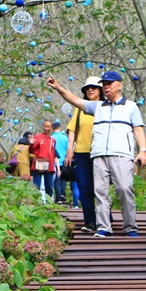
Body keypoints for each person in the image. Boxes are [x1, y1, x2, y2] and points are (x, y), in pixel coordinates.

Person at [47, 70, 146, 238]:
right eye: (104, 84)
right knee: (100, 192)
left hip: (121, 154)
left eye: (110, 84)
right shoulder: (98, 107)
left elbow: (138, 129)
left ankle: (130, 226)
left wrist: (143, 151)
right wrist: (58, 87)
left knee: (124, 188)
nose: (106, 87)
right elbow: (75, 100)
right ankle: (103, 227)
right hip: (99, 155)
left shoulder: (130, 107)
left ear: (119, 85)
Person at [64, 77, 102, 232]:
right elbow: (72, 130)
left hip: (100, 154)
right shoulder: (80, 109)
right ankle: (90, 221)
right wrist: (69, 150)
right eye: (88, 88)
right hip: (82, 154)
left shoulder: (105, 107)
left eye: (93, 87)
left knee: (100, 189)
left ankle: (105, 218)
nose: (90, 90)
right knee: (84, 188)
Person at [28, 120, 58, 196]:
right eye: (45, 126)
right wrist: (31, 144)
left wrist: (54, 166)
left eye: (48, 127)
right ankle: (37, 203)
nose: (46, 128)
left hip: (49, 165)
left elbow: (53, 153)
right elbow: (32, 150)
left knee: (49, 186)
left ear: (51, 128)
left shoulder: (53, 140)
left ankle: (49, 204)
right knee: (36, 185)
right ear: (42, 126)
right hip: (38, 164)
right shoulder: (37, 137)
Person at [50, 120, 70, 204]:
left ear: (52, 128)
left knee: (56, 180)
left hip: (54, 161)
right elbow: (68, 149)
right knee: (63, 178)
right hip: (64, 160)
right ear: (60, 128)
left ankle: (58, 197)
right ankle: (62, 194)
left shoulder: (51, 138)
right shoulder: (65, 137)